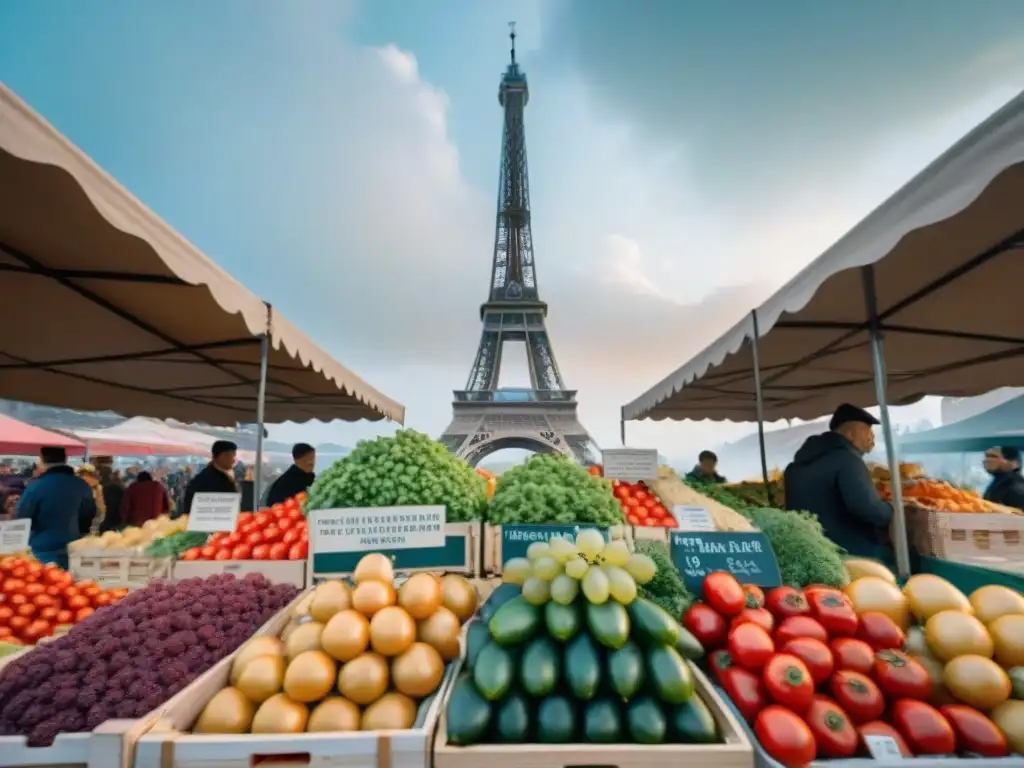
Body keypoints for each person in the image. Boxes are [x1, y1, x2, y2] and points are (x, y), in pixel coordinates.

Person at [783, 403, 893, 557]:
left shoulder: (798, 465)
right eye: (867, 430)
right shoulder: (848, 460)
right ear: (849, 434)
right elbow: (867, 508)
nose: (872, 436)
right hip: (848, 554)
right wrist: (893, 510)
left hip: (810, 552)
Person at [15, 446, 96, 569]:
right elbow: (88, 515)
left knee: (46, 584)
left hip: (42, 550)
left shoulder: (37, 486)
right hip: (73, 548)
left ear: (41, 460)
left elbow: (21, 517)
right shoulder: (82, 485)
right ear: (66, 459)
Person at [179, 440, 238, 518]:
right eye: (232, 456)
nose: (234, 461)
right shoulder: (205, 479)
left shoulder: (221, 475)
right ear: (223, 456)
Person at [982, 446, 1024, 510]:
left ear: (1013, 462)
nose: (986, 460)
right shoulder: (1000, 481)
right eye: (986, 456)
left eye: (993, 456)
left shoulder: (1014, 484)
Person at [75, 463, 107, 534]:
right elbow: (101, 505)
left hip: (83, 520)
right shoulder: (98, 487)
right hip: (95, 519)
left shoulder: (79, 485)